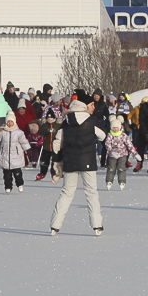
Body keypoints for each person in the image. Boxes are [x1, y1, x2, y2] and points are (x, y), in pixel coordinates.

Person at [49, 98, 105, 236]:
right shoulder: (91, 121)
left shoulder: (65, 123)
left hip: (70, 161)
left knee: (67, 193)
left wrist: (56, 160)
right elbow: (103, 136)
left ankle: (55, 226)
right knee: (91, 192)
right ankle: (97, 225)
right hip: (88, 161)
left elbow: (57, 143)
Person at [0, 115, 29, 192]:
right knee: (7, 174)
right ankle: (8, 187)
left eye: (11, 121)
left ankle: (19, 184)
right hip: (5, 155)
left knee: (17, 173)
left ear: (14, 122)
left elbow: (24, 142)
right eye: (8, 121)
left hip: (16, 156)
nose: (10, 123)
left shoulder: (19, 132)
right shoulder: (2, 132)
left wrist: (28, 149)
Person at [103, 113, 137, 189]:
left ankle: (122, 181)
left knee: (121, 168)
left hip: (122, 154)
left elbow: (129, 144)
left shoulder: (123, 135)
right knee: (111, 168)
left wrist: (134, 153)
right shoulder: (110, 135)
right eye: (114, 127)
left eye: (117, 127)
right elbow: (107, 143)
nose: (115, 129)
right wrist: (111, 151)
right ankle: (109, 181)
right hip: (112, 154)